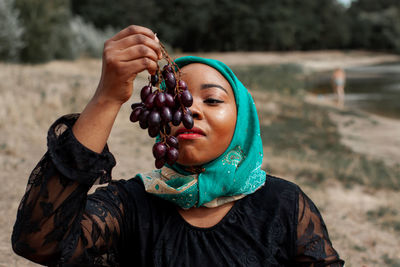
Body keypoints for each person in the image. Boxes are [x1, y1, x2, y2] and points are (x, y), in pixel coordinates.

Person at [11, 25, 344, 266]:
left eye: (213, 99)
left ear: (243, 121)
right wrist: (107, 97)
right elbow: (39, 243)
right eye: (175, 101)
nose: (190, 110)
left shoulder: (284, 205)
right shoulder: (130, 205)